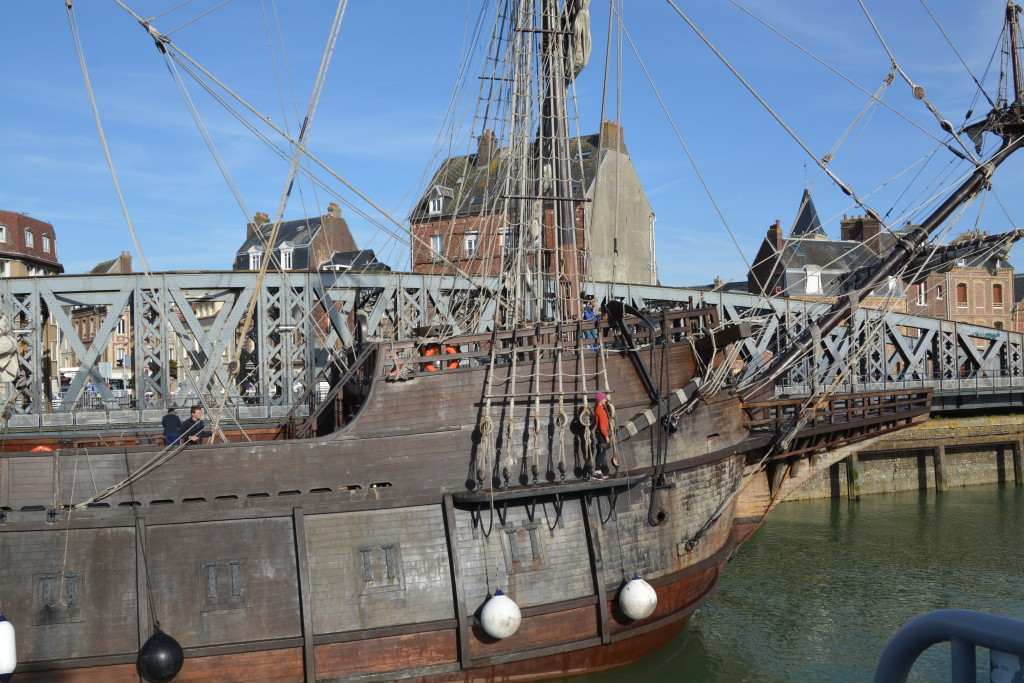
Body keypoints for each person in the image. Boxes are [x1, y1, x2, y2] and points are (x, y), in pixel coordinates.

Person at [592, 391, 611, 479]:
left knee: (600, 452)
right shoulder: (601, 411)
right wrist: (606, 436)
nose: (605, 400)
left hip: (598, 432)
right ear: (600, 400)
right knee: (601, 452)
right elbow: (603, 426)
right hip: (601, 433)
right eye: (604, 398)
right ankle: (597, 472)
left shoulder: (597, 409)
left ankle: (598, 471)